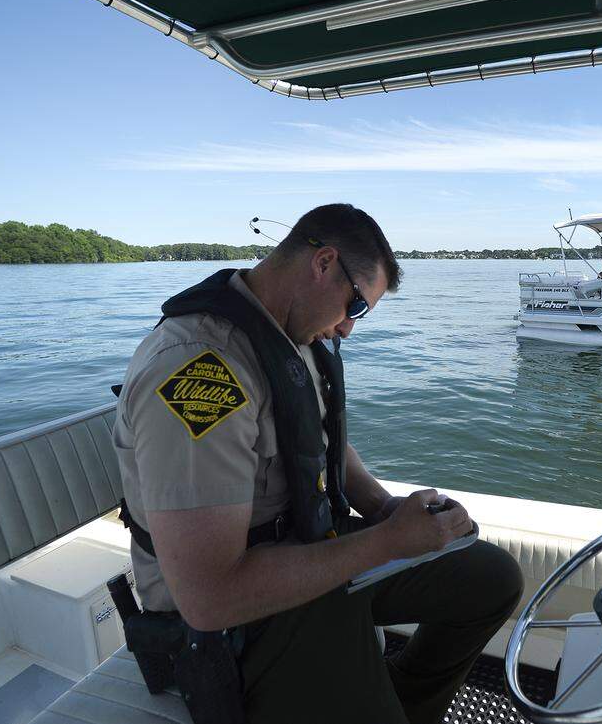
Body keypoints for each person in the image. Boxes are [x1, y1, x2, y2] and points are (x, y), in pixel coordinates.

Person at [112, 203, 524, 724]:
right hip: (230, 622)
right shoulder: (200, 370)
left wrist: (382, 508)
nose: (349, 329)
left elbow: (319, 443)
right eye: (356, 305)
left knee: (492, 579)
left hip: (311, 547)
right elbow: (209, 597)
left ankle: (403, 705)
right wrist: (385, 542)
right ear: (324, 263)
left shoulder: (293, 333)